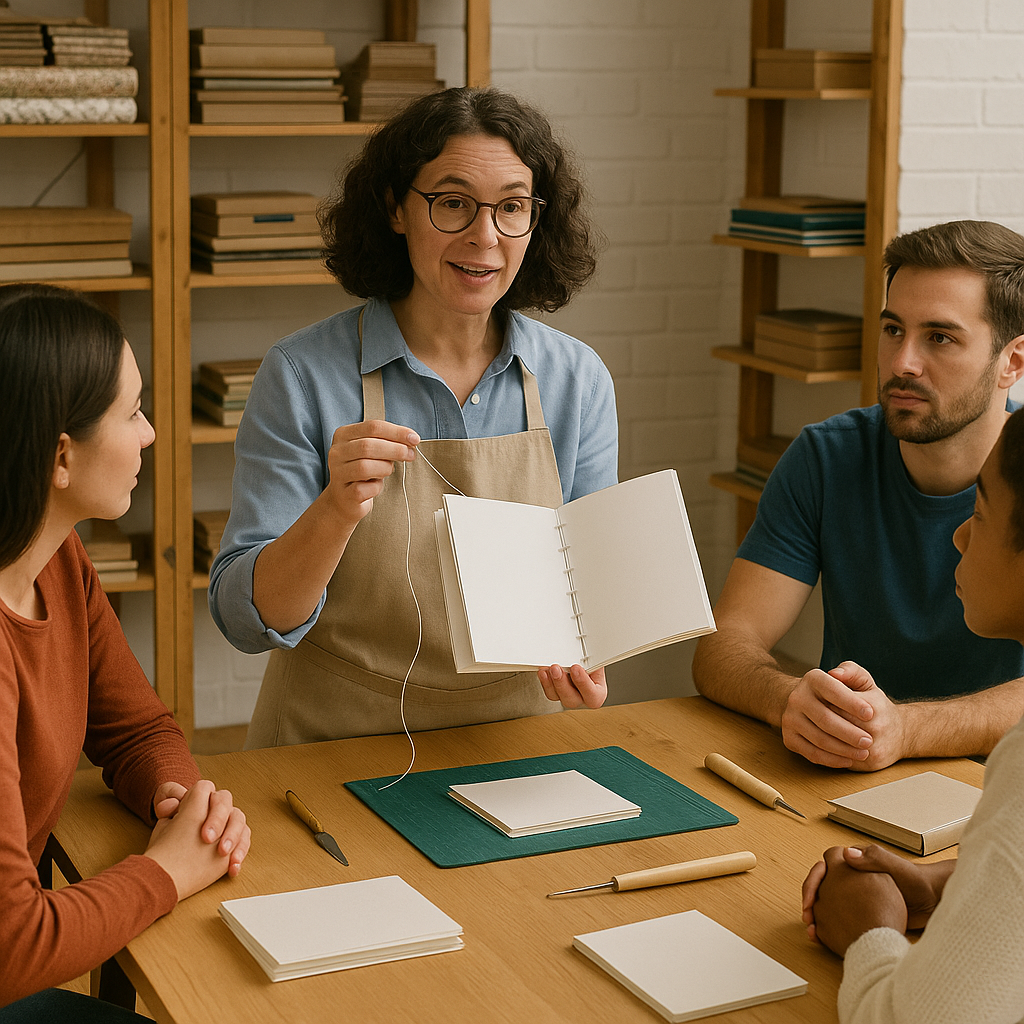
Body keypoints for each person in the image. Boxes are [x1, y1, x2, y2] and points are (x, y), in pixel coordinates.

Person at [209, 87, 618, 747]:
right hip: (331, 741)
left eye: (512, 207)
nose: (485, 237)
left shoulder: (578, 382)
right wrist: (335, 511)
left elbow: (587, 606)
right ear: (397, 208)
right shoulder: (302, 374)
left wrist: (590, 659)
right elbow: (245, 621)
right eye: (453, 203)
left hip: (517, 742)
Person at [0, 285, 250, 1020]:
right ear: (60, 457)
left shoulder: (56, 561)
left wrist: (180, 803)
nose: (149, 434)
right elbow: (14, 945)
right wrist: (168, 870)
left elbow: (138, 730)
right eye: (133, 412)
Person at [692, 220, 1024, 771]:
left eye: (939, 337)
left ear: (1012, 362)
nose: (902, 364)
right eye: (893, 330)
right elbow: (726, 641)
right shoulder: (826, 457)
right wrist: (789, 700)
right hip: (844, 778)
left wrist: (907, 729)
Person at [800, 405, 1024, 1024]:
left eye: (979, 514)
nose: (958, 535)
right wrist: (948, 882)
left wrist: (870, 931)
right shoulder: (828, 452)